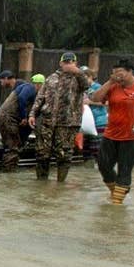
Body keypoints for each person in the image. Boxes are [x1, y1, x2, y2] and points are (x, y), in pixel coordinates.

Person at [90, 59, 134, 204]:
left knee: (125, 167)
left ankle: (116, 205)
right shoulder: (112, 86)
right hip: (112, 133)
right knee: (103, 165)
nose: (117, 76)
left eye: (120, 72)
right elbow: (96, 98)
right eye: (114, 73)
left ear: (130, 72)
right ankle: (117, 191)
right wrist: (110, 82)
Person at [28, 51, 89, 182]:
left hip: (68, 123)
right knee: (42, 153)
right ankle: (41, 183)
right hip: (47, 121)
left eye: (71, 62)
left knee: (64, 154)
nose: (68, 64)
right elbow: (40, 97)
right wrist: (33, 114)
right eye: (66, 62)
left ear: (76, 63)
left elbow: (86, 85)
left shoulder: (79, 78)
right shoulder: (51, 78)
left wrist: (77, 72)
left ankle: (60, 184)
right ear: (61, 63)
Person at [0, 73, 45, 171]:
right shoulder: (30, 87)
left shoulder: (27, 89)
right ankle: (9, 174)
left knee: (12, 143)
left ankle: (5, 166)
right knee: (14, 146)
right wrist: (24, 118)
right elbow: (22, 98)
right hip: (7, 118)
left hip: (5, 118)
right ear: (39, 84)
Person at [81, 66, 107, 160]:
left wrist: (90, 102)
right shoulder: (82, 88)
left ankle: (102, 169)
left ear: (90, 77)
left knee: (97, 149)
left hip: (98, 122)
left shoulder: (98, 87)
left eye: (85, 77)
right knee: (86, 151)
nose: (83, 79)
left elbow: (107, 102)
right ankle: (88, 173)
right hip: (86, 124)